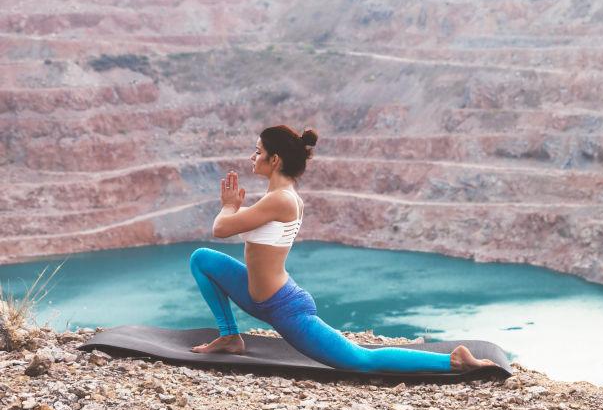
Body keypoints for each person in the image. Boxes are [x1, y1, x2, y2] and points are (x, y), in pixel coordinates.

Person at [189, 124, 497, 373]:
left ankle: (452, 360)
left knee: (360, 360)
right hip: (256, 296)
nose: (252, 157)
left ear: (275, 160)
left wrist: (228, 206)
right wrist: (233, 210)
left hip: (282, 308)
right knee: (202, 259)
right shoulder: (278, 197)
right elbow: (236, 226)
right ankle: (230, 336)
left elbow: (220, 228)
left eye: (258, 152)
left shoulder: (280, 199)